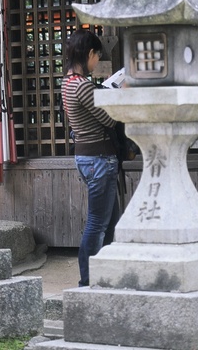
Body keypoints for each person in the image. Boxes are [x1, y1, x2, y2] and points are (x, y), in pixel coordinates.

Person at [61, 28, 120, 287]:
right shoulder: (82, 85)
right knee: (97, 223)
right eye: (97, 56)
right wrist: (117, 95)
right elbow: (109, 118)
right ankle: (88, 279)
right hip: (99, 159)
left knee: (110, 222)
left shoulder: (68, 82)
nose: (97, 62)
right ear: (90, 53)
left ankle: (106, 274)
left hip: (87, 157)